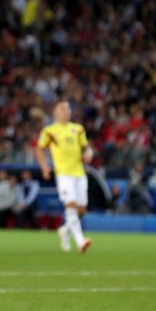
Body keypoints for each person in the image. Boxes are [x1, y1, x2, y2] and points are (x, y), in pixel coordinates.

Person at [36, 100, 94, 253]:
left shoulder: (78, 129)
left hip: (79, 173)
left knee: (81, 210)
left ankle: (64, 230)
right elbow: (40, 149)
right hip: (63, 174)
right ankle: (80, 241)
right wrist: (44, 167)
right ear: (55, 112)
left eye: (68, 109)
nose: (65, 111)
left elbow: (86, 148)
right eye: (62, 109)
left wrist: (89, 153)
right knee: (71, 205)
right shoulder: (50, 131)